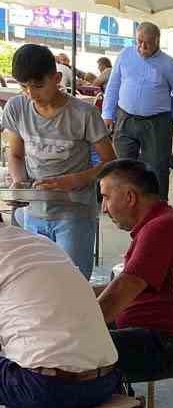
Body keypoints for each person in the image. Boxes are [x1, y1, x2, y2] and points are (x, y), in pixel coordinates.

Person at [93, 158, 173, 408]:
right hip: (151, 332)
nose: (103, 207)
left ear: (130, 196)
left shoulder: (162, 229)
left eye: (106, 197)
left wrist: (74, 327)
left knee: (85, 352)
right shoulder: (158, 224)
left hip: (168, 343)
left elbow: (122, 291)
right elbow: (121, 286)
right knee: (84, 340)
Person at [2, 41, 115, 276]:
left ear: (56, 78)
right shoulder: (17, 107)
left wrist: (75, 180)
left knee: (73, 283)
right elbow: (14, 153)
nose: (31, 94)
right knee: (37, 282)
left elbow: (111, 163)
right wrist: (19, 182)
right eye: (24, 87)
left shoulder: (83, 114)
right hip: (32, 212)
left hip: (74, 213)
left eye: (38, 85)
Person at [0, 221, 122, 408]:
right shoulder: (38, 243)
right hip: (105, 382)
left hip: (50, 387)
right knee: (23, 359)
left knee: (24, 365)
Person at [102, 21, 173, 204]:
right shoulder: (125, 55)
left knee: (157, 167)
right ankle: (126, 204)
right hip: (125, 117)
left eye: (147, 42)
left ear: (157, 40)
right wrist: (107, 113)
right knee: (123, 166)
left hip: (156, 122)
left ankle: (158, 206)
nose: (142, 47)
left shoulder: (169, 64)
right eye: (139, 41)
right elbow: (114, 85)